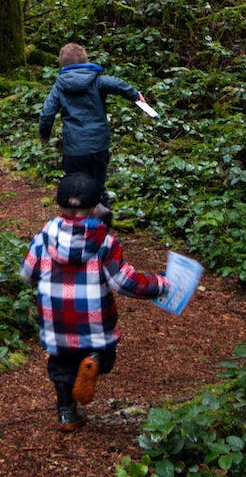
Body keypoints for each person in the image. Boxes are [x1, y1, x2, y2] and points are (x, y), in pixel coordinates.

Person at [20, 172, 170, 432]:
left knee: (61, 366)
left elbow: (27, 274)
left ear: (59, 204)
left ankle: (67, 414)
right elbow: (124, 282)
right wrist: (160, 284)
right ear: (95, 207)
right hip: (95, 324)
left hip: (56, 322)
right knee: (105, 353)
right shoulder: (104, 242)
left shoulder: (42, 239)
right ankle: (94, 360)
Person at [39, 42, 150, 218]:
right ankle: (101, 221)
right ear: (85, 60)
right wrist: (135, 95)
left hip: (74, 148)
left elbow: (47, 113)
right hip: (98, 146)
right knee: (98, 185)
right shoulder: (97, 80)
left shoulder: (60, 85)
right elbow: (118, 84)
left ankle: (75, 221)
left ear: (63, 64)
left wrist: (44, 136)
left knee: (75, 185)